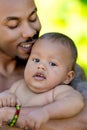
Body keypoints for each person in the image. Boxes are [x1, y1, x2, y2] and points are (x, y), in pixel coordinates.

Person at [0, 0, 87, 130]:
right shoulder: (18, 87)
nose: (30, 32)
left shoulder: (63, 73)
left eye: (33, 18)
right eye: (13, 25)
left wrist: (12, 116)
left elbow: (84, 119)